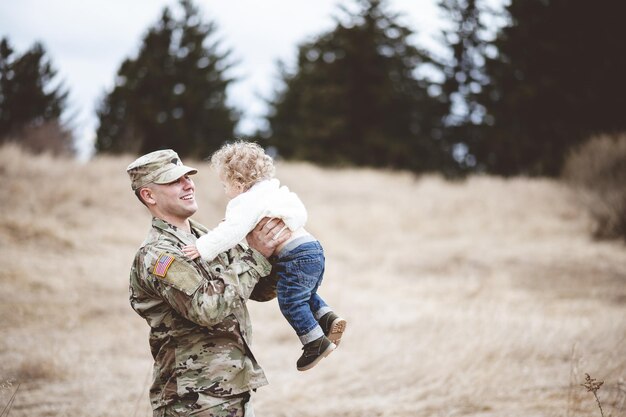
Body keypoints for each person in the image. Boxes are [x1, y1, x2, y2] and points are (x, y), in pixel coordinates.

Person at [127, 149, 289, 417]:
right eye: (173, 181)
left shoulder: (205, 237)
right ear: (149, 195)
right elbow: (208, 309)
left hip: (232, 389)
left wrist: (277, 252)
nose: (188, 185)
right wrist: (255, 256)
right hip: (193, 400)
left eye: (187, 177)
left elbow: (257, 290)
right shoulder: (159, 255)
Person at [182, 141, 347, 372]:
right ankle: (327, 317)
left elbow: (229, 233)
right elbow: (299, 213)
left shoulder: (245, 202)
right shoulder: (273, 191)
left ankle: (315, 342)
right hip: (312, 248)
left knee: (290, 302)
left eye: (224, 184)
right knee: (302, 292)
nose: (225, 190)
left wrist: (202, 248)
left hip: (294, 255)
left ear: (238, 184)